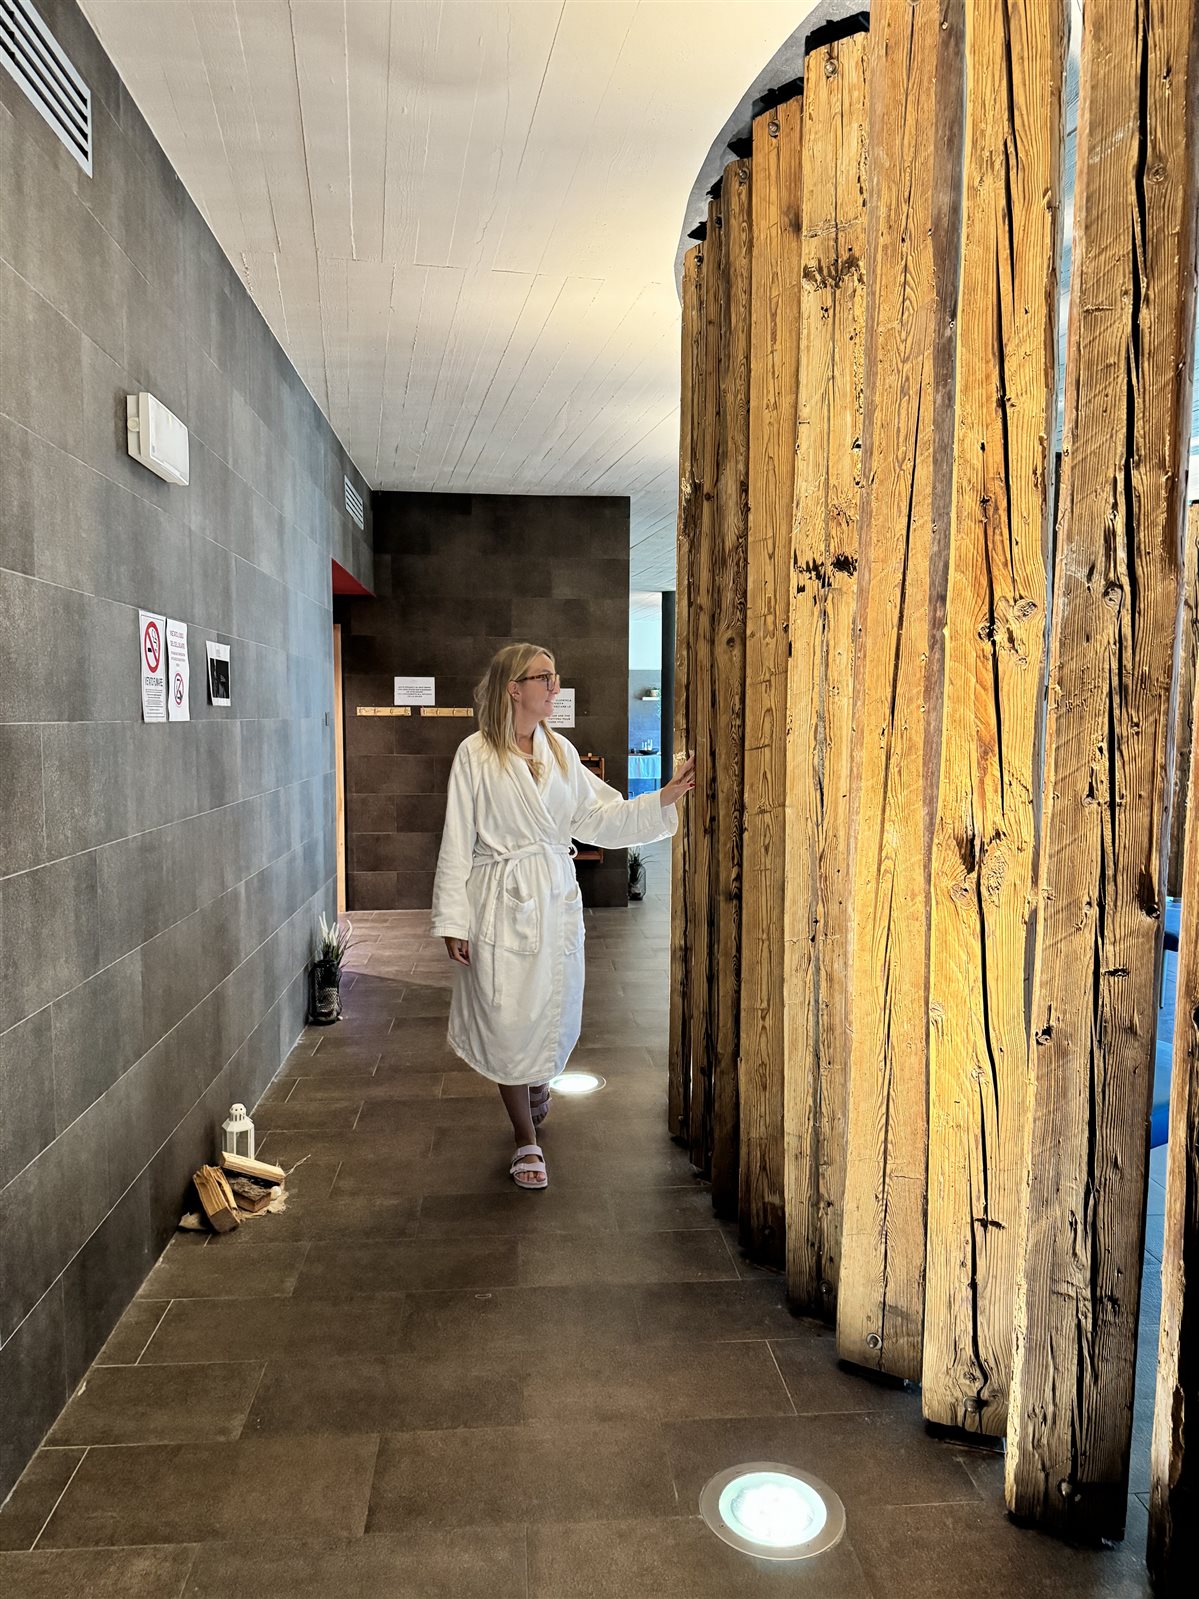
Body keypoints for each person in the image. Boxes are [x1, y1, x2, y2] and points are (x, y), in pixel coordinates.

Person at [431, 642, 696, 1190]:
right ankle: (524, 1137)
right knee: (506, 1017)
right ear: (514, 688)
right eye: (544, 677)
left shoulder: (561, 753)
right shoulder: (475, 754)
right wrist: (453, 920)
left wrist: (664, 798)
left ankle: (535, 1080)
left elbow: (600, 816)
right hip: (500, 899)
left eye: (555, 676)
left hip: (553, 897)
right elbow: (456, 840)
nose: (555, 686)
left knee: (549, 1008)